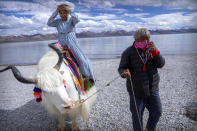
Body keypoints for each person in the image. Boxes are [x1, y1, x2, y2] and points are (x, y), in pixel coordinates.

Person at [118, 28, 165, 131]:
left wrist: (156, 52)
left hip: (153, 89)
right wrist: (124, 73)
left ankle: (150, 128)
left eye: (147, 39)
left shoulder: (152, 50)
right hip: (136, 91)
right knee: (137, 118)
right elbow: (121, 68)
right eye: (142, 39)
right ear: (136, 39)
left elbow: (161, 64)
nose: (145, 42)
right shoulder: (128, 52)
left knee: (157, 111)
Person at [47, 4, 95, 83]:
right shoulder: (57, 21)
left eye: (64, 12)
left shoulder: (72, 20)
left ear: (67, 12)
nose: (62, 14)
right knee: (53, 60)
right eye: (61, 13)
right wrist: (56, 12)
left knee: (82, 60)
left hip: (72, 43)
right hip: (61, 42)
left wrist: (70, 10)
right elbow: (49, 23)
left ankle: (87, 76)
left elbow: (77, 18)